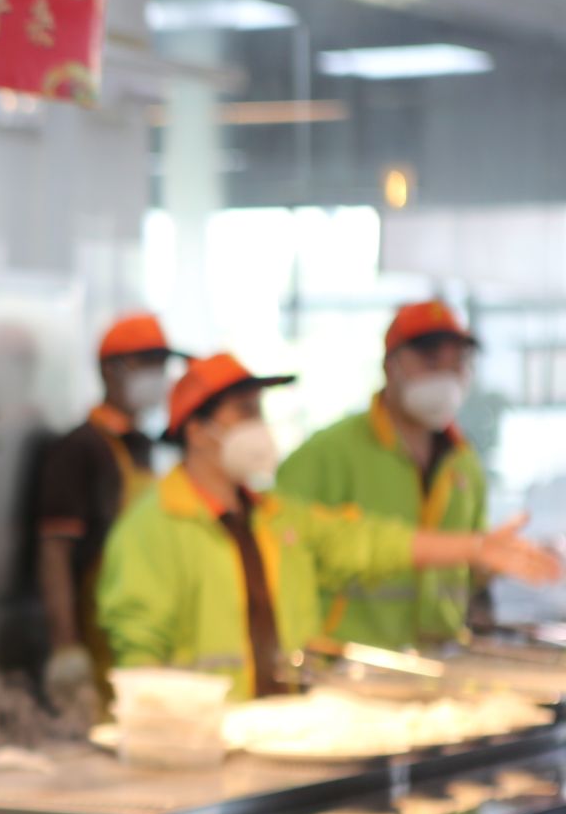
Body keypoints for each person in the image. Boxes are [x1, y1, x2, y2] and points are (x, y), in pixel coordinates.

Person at [96, 354, 559, 700]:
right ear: (197, 431)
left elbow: (369, 543)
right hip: (202, 744)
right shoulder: (152, 527)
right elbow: (139, 656)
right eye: (244, 411)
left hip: (285, 725)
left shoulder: (277, 517)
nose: (259, 425)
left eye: (259, 410)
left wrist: (475, 547)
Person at [277, 300, 490, 649]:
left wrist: (500, 559)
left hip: (438, 657)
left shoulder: (464, 462)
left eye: (458, 363)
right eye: (430, 360)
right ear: (391, 366)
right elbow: (281, 550)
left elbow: (475, 566)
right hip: (343, 659)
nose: (446, 376)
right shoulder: (326, 453)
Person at [35, 313, 178, 714]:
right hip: (97, 631)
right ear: (110, 370)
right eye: (146, 363)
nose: (157, 375)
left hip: (143, 628)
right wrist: (66, 645)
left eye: (161, 364)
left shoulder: (145, 445)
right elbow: (55, 551)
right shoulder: (79, 449)